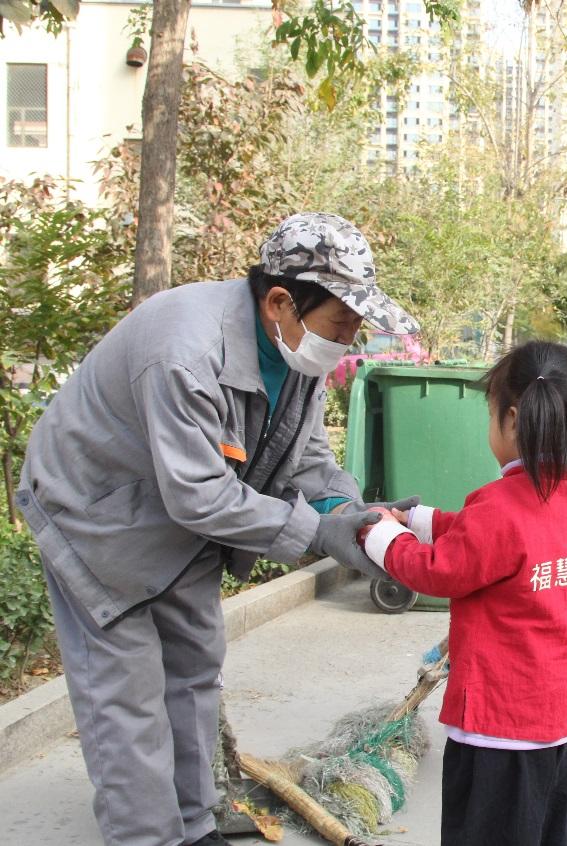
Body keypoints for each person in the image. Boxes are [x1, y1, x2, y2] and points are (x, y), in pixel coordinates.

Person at [15, 213, 418, 846]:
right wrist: (317, 534)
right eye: (343, 323)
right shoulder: (185, 350)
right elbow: (199, 495)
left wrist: (349, 512)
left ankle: (195, 822)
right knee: (128, 697)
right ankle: (149, 836)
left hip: (183, 516)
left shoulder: (296, 352)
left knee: (196, 668)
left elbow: (304, 456)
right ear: (281, 300)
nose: (349, 339)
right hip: (94, 514)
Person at [358, 341, 567, 846]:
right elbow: (485, 540)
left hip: (498, 728)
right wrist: (419, 519)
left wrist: (380, 537)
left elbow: (442, 571)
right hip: (556, 721)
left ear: (510, 420)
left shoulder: (500, 506)